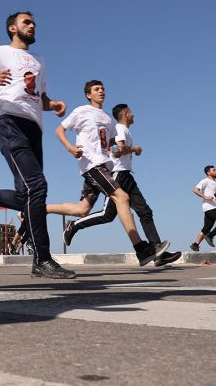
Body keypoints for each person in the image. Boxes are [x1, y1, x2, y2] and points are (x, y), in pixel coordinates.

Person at [0, 12, 73, 278]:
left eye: (35, 22)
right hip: (10, 125)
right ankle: (42, 259)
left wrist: (53, 104)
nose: (33, 25)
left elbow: (39, 97)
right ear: (12, 28)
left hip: (35, 130)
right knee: (38, 187)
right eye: (27, 22)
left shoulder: (40, 61)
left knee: (27, 197)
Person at [46, 81, 170, 266]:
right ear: (88, 95)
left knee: (82, 209)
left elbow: (110, 143)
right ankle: (141, 249)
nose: (101, 91)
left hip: (103, 165)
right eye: (96, 89)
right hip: (91, 165)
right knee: (122, 198)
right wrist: (70, 148)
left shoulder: (108, 119)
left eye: (102, 88)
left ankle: (39, 209)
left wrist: (117, 150)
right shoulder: (81, 111)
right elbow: (59, 130)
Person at [189, 166, 216, 252]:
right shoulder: (205, 181)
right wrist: (205, 196)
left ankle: (195, 245)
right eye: (214, 170)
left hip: (213, 207)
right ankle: (210, 236)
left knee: (206, 229)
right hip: (209, 207)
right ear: (208, 173)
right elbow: (195, 190)